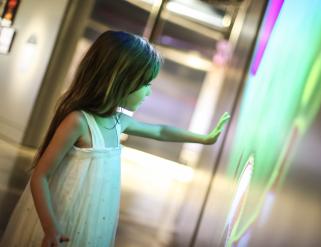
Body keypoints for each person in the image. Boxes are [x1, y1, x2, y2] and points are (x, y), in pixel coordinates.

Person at [0, 30, 230, 247]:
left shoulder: (119, 121)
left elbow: (160, 131)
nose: (148, 92)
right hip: (65, 213)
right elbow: (41, 175)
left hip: (94, 216)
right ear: (118, 79)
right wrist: (50, 227)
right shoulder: (78, 122)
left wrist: (205, 138)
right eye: (145, 84)